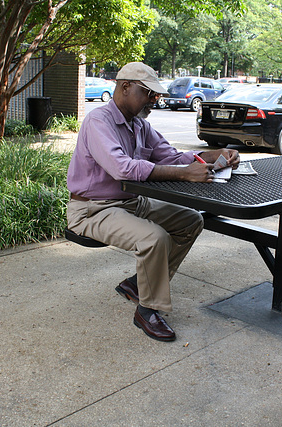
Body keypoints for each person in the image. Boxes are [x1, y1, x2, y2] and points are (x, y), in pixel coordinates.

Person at [66, 62, 240, 342]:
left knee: (191, 220)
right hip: (92, 209)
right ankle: (147, 311)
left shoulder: (139, 125)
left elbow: (169, 156)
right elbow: (122, 168)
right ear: (125, 87)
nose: (154, 99)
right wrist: (185, 174)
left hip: (130, 202)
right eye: (149, 93)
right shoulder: (98, 122)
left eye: (156, 95)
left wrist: (213, 154)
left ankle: (138, 285)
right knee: (154, 238)